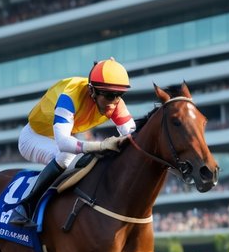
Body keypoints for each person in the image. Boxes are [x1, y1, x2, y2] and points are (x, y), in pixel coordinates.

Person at [8, 57, 136, 226]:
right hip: (33, 137)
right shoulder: (70, 97)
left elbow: (133, 135)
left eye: (119, 95)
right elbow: (63, 143)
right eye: (109, 95)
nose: (113, 102)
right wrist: (100, 146)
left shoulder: (113, 100)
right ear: (93, 91)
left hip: (64, 137)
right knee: (67, 156)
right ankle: (25, 207)